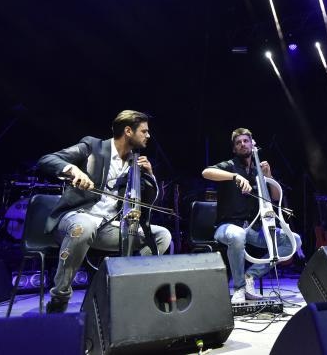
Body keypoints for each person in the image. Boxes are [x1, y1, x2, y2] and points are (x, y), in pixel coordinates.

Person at [37, 110, 171, 313]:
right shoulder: (93, 146)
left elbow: (148, 202)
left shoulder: (135, 163)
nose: (148, 135)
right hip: (75, 219)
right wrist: (74, 170)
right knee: (85, 226)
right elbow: (48, 160)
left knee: (162, 235)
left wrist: (150, 175)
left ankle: (125, 287)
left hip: (108, 227)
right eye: (144, 131)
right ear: (128, 131)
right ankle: (59, 298)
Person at [202, 128, 300, 303]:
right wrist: (235, 177)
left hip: (254, 229)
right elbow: (206, 172)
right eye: (238, 142)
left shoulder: (257, 172)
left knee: (293, 240)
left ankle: (250, 276)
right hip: (227, 227)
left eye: (246, 141)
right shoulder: (230, 166)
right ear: (234, 148)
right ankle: (239, 287)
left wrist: (268, 176)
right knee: (237, 235)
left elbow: (275, 197)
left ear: (252, 144)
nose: (242, 144)